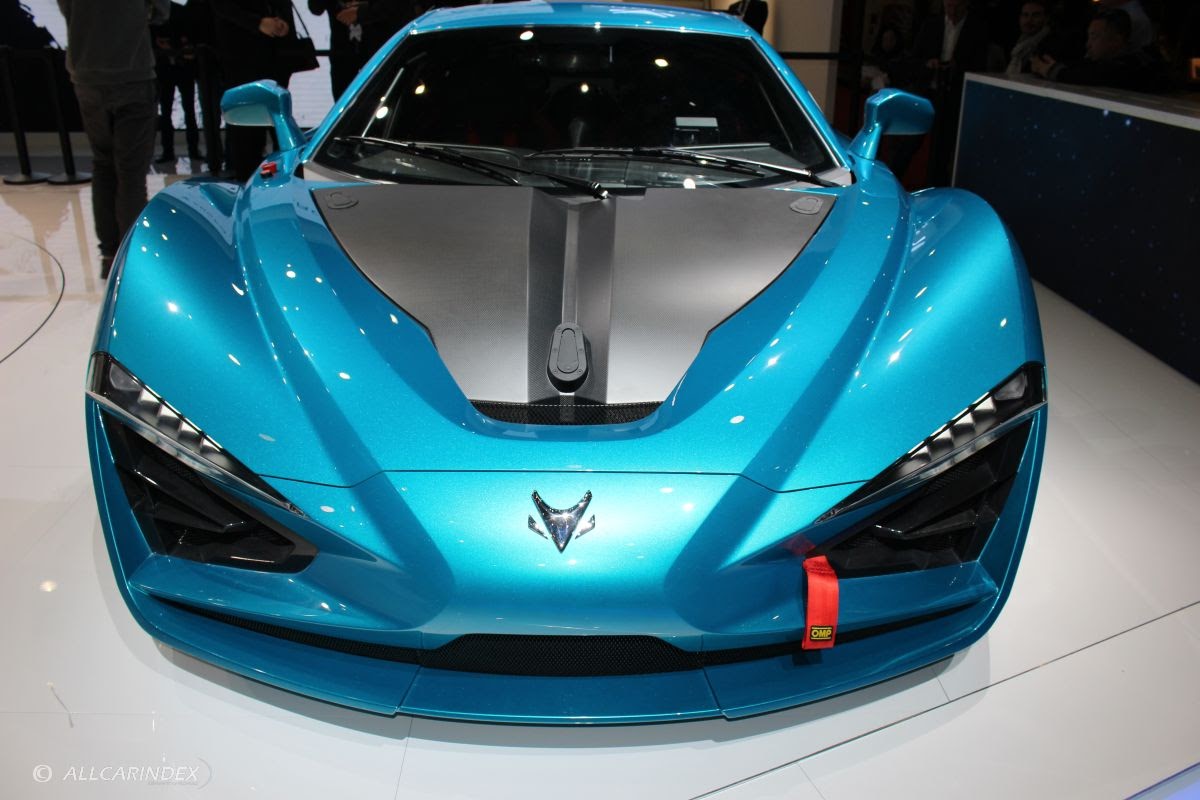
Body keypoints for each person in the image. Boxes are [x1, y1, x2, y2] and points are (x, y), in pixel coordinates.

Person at [57, 0, 169, 279]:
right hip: (131, 71)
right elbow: (161, 12)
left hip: (86, 74)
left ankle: (109, 256)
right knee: (131, 173)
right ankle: (131, 258)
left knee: (103, 164)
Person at [208, 0, 298, 181]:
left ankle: (284, 176)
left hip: (274, 56)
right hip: (241, 56)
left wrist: (282, 22)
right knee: (246, 128)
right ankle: (248, 179)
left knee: (279, 119)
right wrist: (258, 23)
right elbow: (222, 7)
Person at [1030, 9, 1168, 92]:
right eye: (1089, 37)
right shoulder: (1099, 62)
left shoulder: (1135, 66)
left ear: (1116, 40)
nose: (1088, 44)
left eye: (1094, 37)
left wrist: (1051, 71)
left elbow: (1100, 74)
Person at [309, 1, 417, 100]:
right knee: (344, 99)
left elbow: (397, 6)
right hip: (343, 52)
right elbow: (315, 8)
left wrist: (361, 12)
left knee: (387, 95)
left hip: (381, 49)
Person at [152, 1, 204, 164]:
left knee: (172, 111)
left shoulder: (158, 15)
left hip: (173, 68)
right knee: (184, 111)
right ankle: (190, 150)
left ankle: (171, 151)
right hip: (176, 68)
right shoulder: (181, 11)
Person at [1006, 0, 1051, 76]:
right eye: (1025, 15)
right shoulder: (1017, 43)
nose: (1029, 20)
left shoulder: (1050, 43)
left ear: (1046, 18)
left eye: (1035, 15)